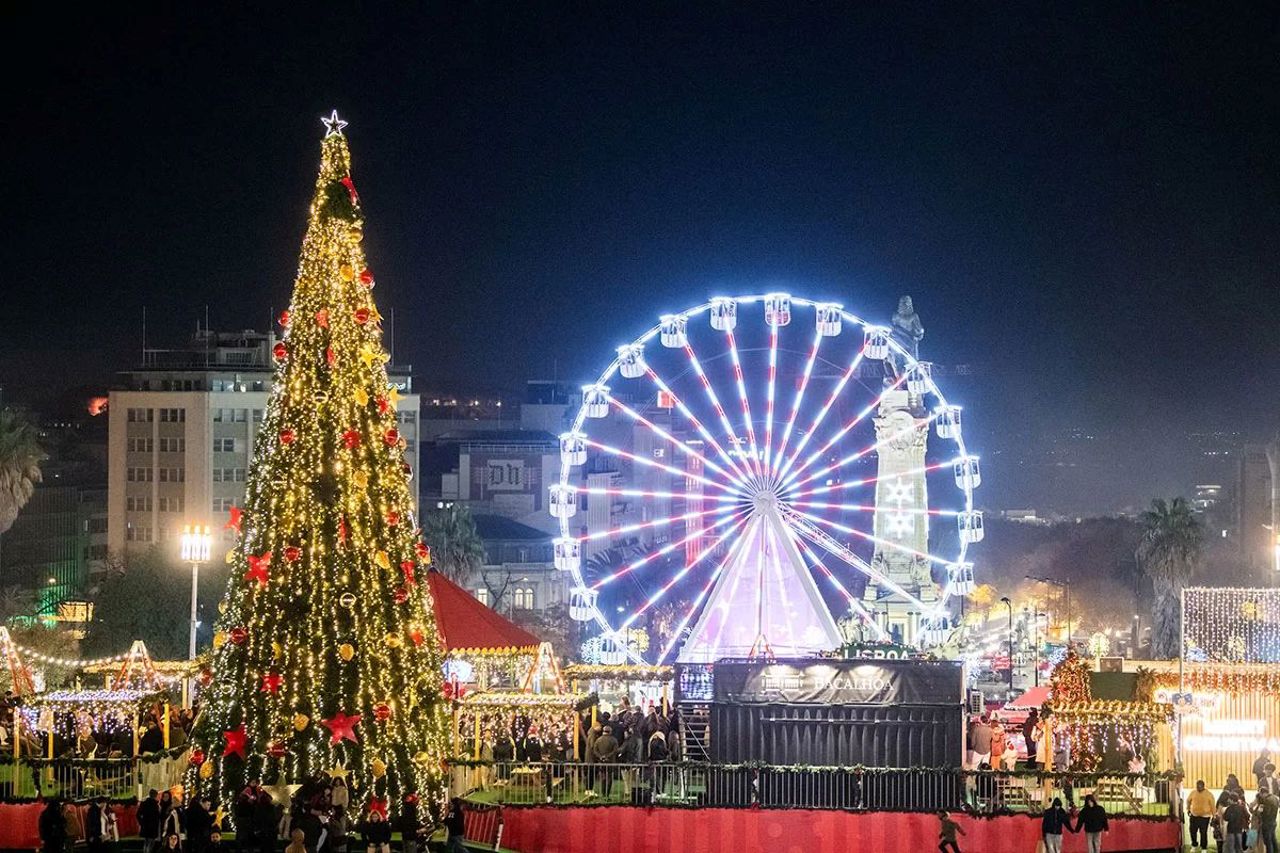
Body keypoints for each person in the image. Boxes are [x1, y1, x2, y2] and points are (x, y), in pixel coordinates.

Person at [1188, 779, 1217, 851]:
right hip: (1194, 815)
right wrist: (1188, 809)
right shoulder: (1193, 792)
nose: (1198, 788)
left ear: (1203, 786)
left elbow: (1213, 805)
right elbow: (1188, 801)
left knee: (1203, 832)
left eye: (1200, 786)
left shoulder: (1209, 794)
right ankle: (1194, 845)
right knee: (1192, 831)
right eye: (1197, 786)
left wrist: (1214, 815)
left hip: (1205, 817)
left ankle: (1204, 847)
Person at [592, 721, 619, 797]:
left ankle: (603, 793)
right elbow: (615, 751)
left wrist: (601, 757)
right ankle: (607, 793)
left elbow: (595, 750)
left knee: (603, 778)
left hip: (601, 762)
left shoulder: (598, 740)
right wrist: (607, 756)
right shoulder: (614, 740)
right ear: (610, 732)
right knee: (609, 778)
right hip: (610, 762)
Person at [1253, 785, 1279, 853]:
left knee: (1268, 842)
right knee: (1273, 840)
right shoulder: (1275, 798)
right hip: (1273, 821)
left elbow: (1265, 812)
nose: (1260, 796)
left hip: (1266, 823)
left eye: (1260, 794)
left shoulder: (1266, 800)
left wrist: (1258, 813)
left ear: (1263, 793)